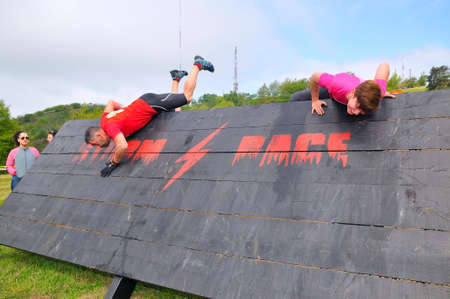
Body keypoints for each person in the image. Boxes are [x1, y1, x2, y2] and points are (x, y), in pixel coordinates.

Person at [85, 55, 214, 177]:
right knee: (175, 113)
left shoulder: (110, 128)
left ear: (98, 135)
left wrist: (114, 163)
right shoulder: (104, 120)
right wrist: (126, 111)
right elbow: (111, 103)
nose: (99, 147)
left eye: (96, 144)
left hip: (150, 105)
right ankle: (176, 78)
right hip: (144, 102)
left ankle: (197, 64)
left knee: (187, 97)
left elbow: (122, 146)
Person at [290, 62, 396, 116]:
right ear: (354, 93)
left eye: (362, 110)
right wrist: (315, 100)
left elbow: (384, 65)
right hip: (332, 91)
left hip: (355, 86)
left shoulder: (377, 93)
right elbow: (315, 77)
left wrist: (381, 92)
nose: (356, 113)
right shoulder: (336, 85)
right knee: (295, 98)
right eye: (358, 106)